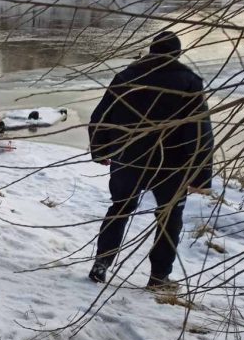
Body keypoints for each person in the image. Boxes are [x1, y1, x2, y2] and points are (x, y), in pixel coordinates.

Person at [88, 31, 213, 291]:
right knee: (169, 218)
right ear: (177, 54)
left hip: (129, 157)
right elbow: (199, 132)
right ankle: (158, 277)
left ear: (152, 50)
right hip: (171, 164)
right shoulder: (189, 82)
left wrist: (101, 150)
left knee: (120, 207)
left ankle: (101, 263)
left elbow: (101, 115)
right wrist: (200, 176)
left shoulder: (126, 77)